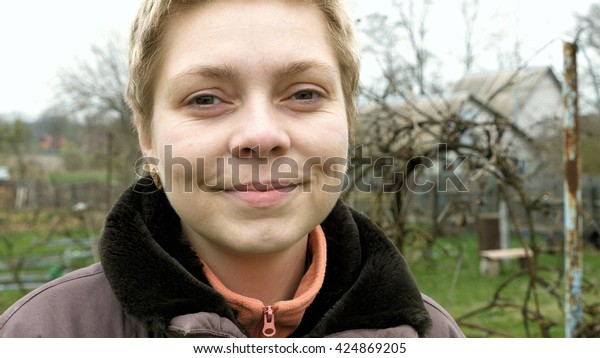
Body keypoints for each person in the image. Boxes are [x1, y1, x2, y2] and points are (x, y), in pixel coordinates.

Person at [0, 0, 464, 338]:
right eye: (205, 99)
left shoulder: (431, 337)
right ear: (146, 135)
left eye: (303, 93)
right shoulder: (41, 335)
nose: (261, 136)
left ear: (348, 119)